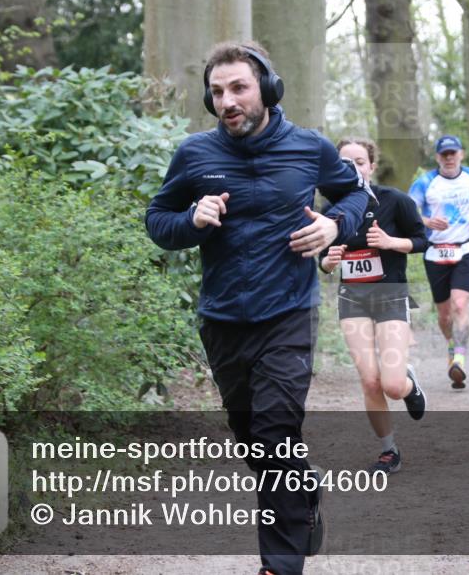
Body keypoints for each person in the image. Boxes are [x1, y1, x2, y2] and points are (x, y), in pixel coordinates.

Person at [145, 41, 369, 575]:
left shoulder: (310, 148)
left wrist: (335, 224)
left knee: (274, 432)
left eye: (239, 88)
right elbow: (158, 220)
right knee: (257, 442)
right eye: (218, 91)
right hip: (223, 319)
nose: (227, 101)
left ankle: (279, 564)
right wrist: (190, 220)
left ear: (267, 89)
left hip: (288, 313)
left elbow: (357, 195)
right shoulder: (195, 155)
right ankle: (304, 487)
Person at [319, 138, 428, 474]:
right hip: (352, 300)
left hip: (390, 295)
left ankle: (409, 385)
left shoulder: (394, 201)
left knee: (391, 385)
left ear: (371, 166)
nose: (353, 168)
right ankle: (388, 450)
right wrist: (329, 261)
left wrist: (391, 242)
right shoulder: (330, 210)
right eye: (345, 163)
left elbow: (424, 239)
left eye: (360, 162)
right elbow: (321, 260)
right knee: (369, 381)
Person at [408, 135, 469, 390]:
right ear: (437, 157)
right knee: (445, 314)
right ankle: (451, 346)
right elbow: (409, 210)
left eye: (453, 153)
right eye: (444, 154)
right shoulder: (425, 182)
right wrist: (426, 221)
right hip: (435, 252)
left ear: (461, 154)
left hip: (466, 248)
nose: (449, 158)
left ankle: (459, 358)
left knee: (459, 305)